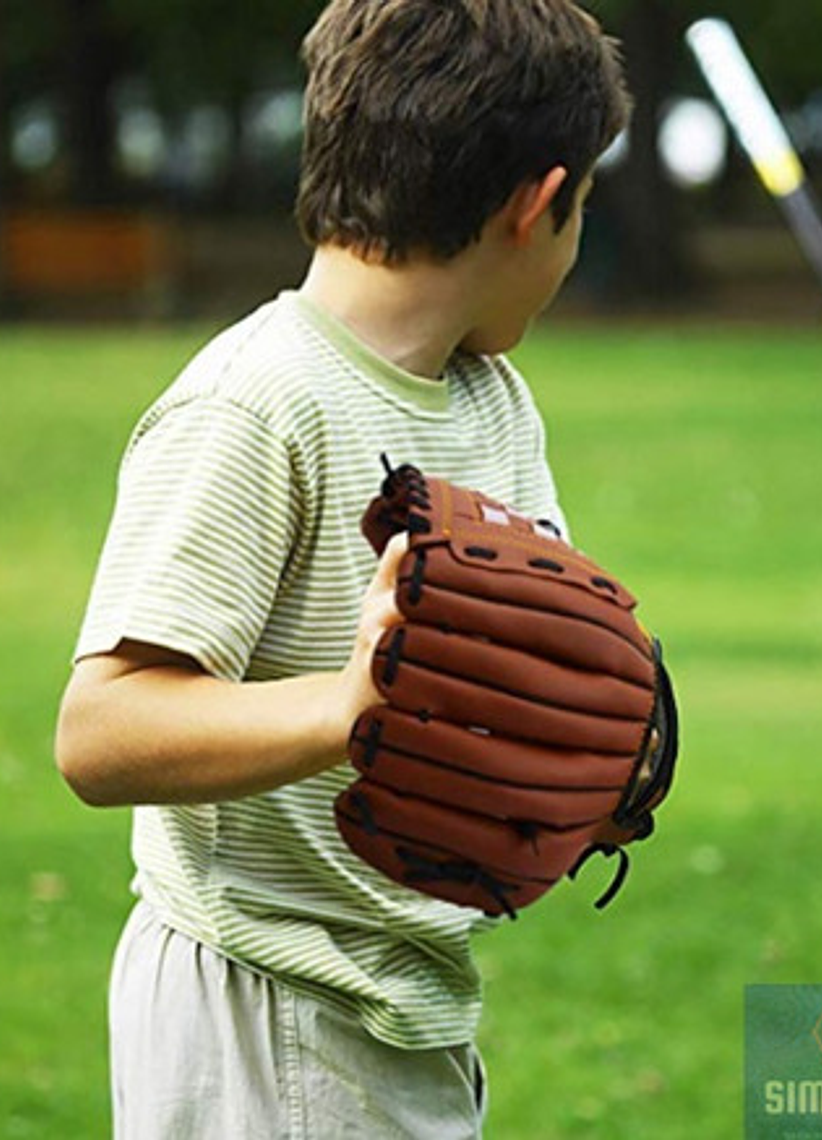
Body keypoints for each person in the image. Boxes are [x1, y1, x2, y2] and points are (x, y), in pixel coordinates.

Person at [53, 1, 630, 1135]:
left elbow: (509, 671)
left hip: (395, 988)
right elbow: (99, 732)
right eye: (584, 212)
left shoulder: (491, 399)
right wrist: (351, 707)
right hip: (257, 998)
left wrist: (561, 762)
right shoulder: (257, 404)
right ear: (536, 205)